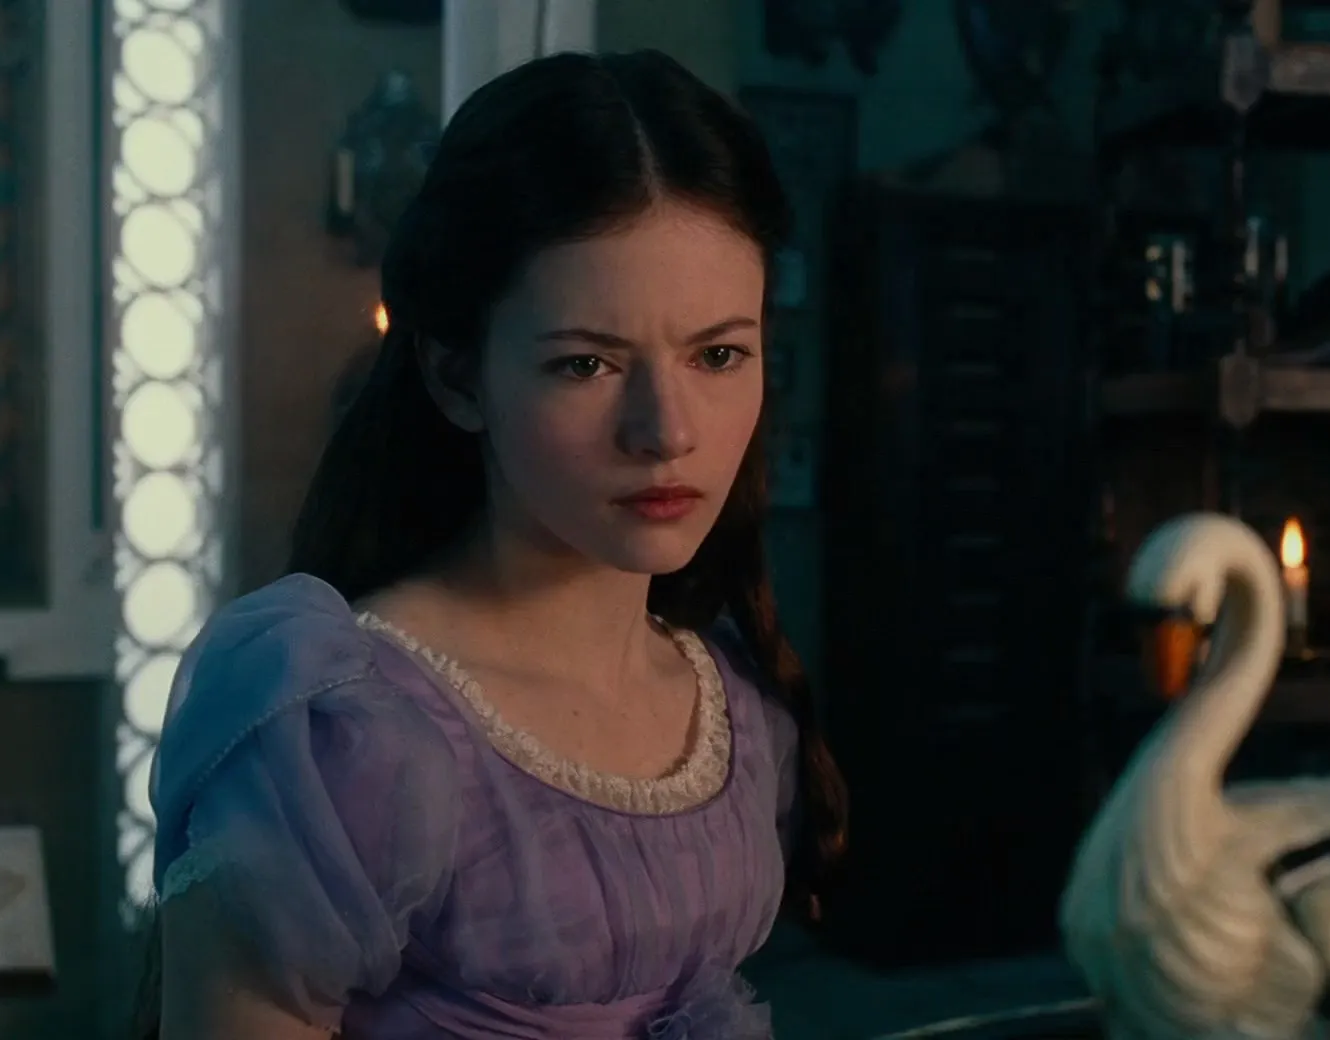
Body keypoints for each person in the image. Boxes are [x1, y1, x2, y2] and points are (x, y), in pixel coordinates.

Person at [143, 49, 848, 1040]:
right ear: (457, 376)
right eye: (586, 364)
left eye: (719, 354)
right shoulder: (346, 734)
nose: (667, 429)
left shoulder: (730, 703)